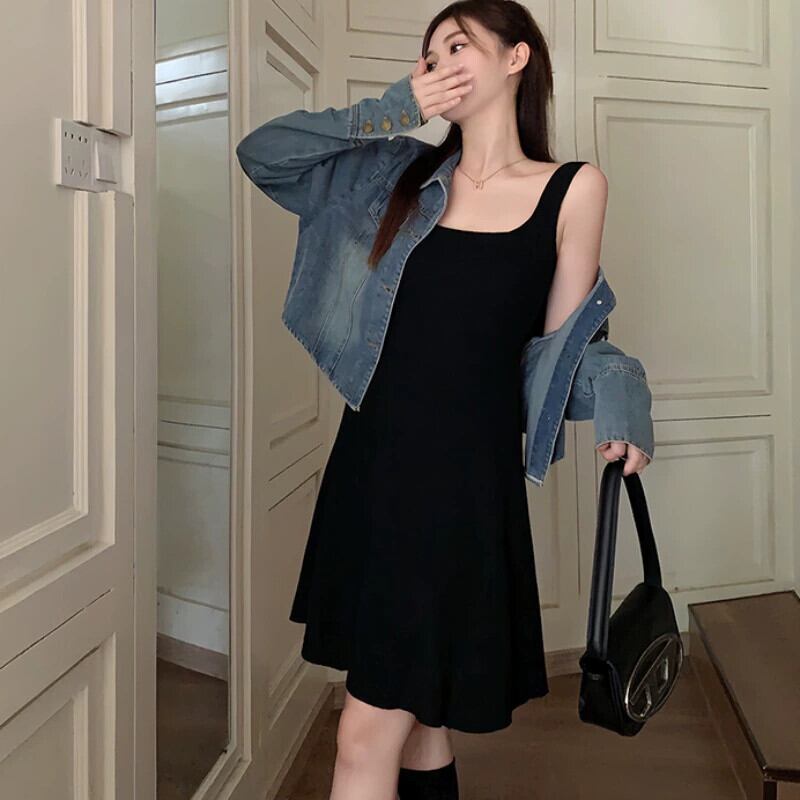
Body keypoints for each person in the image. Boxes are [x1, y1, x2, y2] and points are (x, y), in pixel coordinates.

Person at [236, 2, 653, 798]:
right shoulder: (394, 172)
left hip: (462, 488)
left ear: (517, 58)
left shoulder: (573, 188)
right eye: (427, 56)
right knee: (420, 725)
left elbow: (566, 346)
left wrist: (623, 399)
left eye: (458, 46)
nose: (437, 65)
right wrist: (395, 107)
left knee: (364, 738)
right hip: (371, 467)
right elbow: (264, 154)